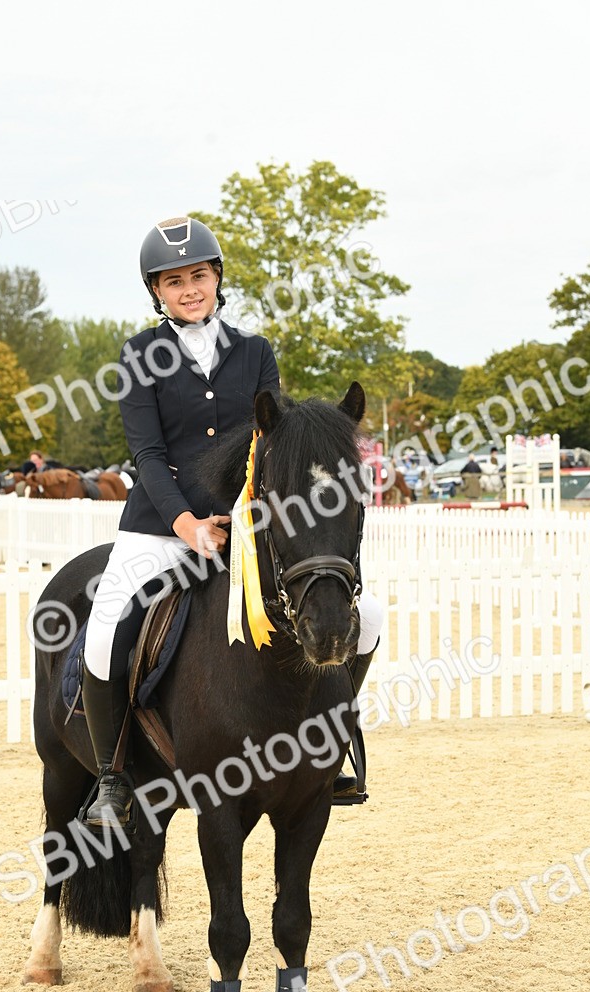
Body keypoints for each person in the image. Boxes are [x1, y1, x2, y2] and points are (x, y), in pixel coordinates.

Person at [81, 216, 383, 827]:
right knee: (108, 626)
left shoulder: (255, 352)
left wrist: (255, 515)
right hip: (161, 526)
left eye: (198, 275)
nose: (189, 289)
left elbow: (272, 440)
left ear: (217, 277)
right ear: (156, 292)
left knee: (367, 617)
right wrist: (187, 523)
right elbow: (148, 456)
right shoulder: (139, 355)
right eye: (174, 281)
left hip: (243, 527)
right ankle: (113, 777)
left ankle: (330, 747)